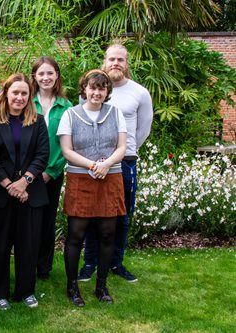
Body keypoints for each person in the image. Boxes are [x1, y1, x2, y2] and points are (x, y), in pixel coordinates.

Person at [78, 44, 153, 283]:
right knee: (91, 214)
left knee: (122, 215)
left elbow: (143, 129)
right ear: (104, 61)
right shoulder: (90, 91)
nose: (116, 63)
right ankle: (90, 262)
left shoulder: (139, 93)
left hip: (125, 163)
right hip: (91, 163)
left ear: (126, 63)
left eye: (120, 59)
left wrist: (125, 152)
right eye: (112, 58)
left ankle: (115, 263)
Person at [58, 69, 127, 306]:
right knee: (76, 235)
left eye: (101, 88)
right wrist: (92, 165)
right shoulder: (71, 114)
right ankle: (72, 287)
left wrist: (106, 164)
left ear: (107, 92)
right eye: (92, 87)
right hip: (80, 179)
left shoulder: (115, 113)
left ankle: (101, 285)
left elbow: (122, 146)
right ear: (84, 89)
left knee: (108, 234)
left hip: (111, 178)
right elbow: (67, 150)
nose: (96, 92)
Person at [0, 73, 49, 310]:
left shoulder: (38, 121)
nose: (19, 97)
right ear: (6, 94)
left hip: (31, 194)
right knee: (0, 244)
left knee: (28, 244)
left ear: (29, 96)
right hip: (2, 193)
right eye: (15, 93)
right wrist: (10, 185)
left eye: (24, 93)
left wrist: (25, 182)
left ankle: (25, 291)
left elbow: (42, 155)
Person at [30, 56, 73, 280]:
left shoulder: (66, 107)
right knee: (29, 220)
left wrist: (51, 171)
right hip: (28, 174)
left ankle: (43, 267)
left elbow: (67, 144)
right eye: (41, 74)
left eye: (50, 73)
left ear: (56, 76)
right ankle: (26, 262)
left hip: (52, 174)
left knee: (47, 220)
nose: (45, 77)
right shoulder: (27, 102)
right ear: (34, 77)